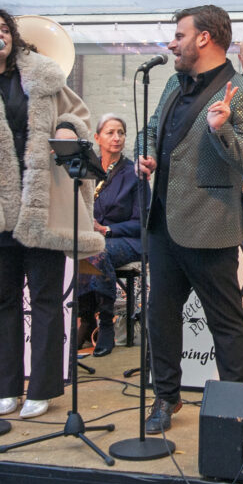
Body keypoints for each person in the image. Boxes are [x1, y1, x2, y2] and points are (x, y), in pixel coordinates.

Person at [0, 6, 102, 420]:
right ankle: (7, 387)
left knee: (45, 300)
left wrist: (66, 128)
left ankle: (42, 389)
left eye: (3, 28)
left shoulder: (43, 73)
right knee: (0, 300)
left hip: (40, 201)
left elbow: (79, 116)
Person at [138, 5, 243, 434]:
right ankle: (166, 398)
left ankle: (234, 405)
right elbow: (151, 128)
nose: (172, 43)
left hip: (209, 224)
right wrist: (146, 150)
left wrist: (222, 129)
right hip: (162, 223)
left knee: (226, 322)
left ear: (205, 38)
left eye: (179, 35)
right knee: (160, 315)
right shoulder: (173, 83)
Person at [76, 114, 141, 358]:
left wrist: (106, 230)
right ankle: (85, 318)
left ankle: (104, 322)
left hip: (127, 239)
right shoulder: (87, 171)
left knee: (97, 251)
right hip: (93, 238)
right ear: (96, 138)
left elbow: (141, 222)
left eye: (121, 132)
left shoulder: (134, 172)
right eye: (110, 133)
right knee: (78, 251)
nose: (116, 138)